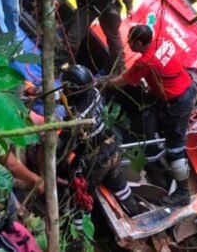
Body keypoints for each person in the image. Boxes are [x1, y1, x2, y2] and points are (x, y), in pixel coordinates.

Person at [105, 25, 197, 206]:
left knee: (175, 148)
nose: (129, 45)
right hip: (185, 87)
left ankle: (182, 192)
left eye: (131, 43)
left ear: (139, 43)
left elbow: (120, 82)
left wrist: (102, 83)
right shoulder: (162, 40)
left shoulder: (145, 63)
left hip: (178, 102)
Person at [58, 65, 142, 216]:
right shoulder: (94, 93)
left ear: (75, 90)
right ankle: (135, 211)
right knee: (116, 179)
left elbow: (63, 143)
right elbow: (66, 97)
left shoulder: (77, 120)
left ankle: (78, 233)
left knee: (81, 194)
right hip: (111, 145)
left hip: (95, 159)